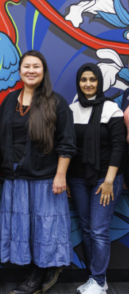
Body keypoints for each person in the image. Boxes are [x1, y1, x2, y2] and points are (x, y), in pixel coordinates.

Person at [0, 50, 77, 294]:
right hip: (14, 178)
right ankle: (34, 272)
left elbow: (67, 143)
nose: (31, 70)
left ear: (43, 71)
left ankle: (37, 275)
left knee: (43, 229)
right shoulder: (9, 101)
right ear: (19, 71)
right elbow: (0, 138)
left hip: (45, 179)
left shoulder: (56, 102)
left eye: (36, 66)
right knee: (23, 228)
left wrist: (60, 176)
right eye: (26, 66)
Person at [67, 63, 125, 294]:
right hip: (78, 179)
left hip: (106, 178)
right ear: (79, 83)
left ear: (99, 82)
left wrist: (110, 180)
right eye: (84, 80)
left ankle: (99, 281)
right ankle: (95, 278)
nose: (88, 84)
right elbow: (68, 147)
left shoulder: (112, 109)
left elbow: (118, 147)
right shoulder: (71, 110)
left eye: (92, 79)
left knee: (99, 229)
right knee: (88, 229)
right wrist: (68, 178)